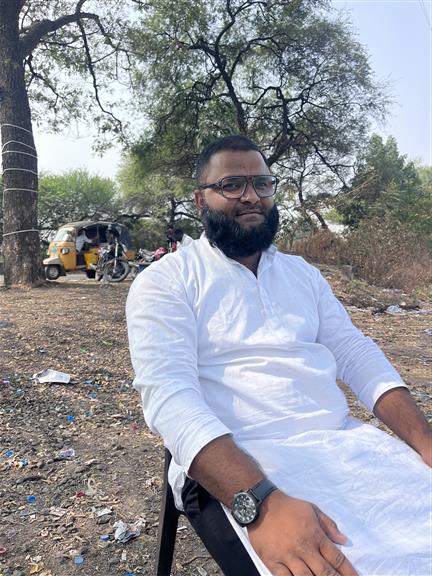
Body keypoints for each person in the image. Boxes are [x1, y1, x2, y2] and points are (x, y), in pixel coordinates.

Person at [126, 135, 431, 576]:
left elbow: (356, 354)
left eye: (262, 183)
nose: (251, 196)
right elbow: (169, 398)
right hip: (234, 462)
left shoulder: (302, 274)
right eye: (231, 184)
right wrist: (262, 505)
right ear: (200, 200)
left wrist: (425, 441)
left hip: (343, 443)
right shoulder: (167, 281)